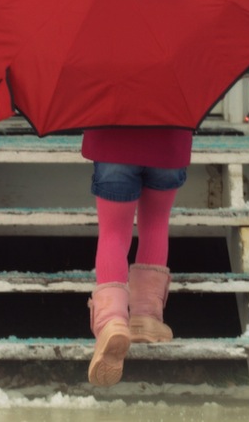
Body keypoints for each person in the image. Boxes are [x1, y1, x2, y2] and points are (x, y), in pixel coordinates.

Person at [81, 126, 193, 387]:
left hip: (113, 140)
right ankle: (146, 315)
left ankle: (112, 321)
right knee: (156, 222)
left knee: (113, 233)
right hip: (168, 139)